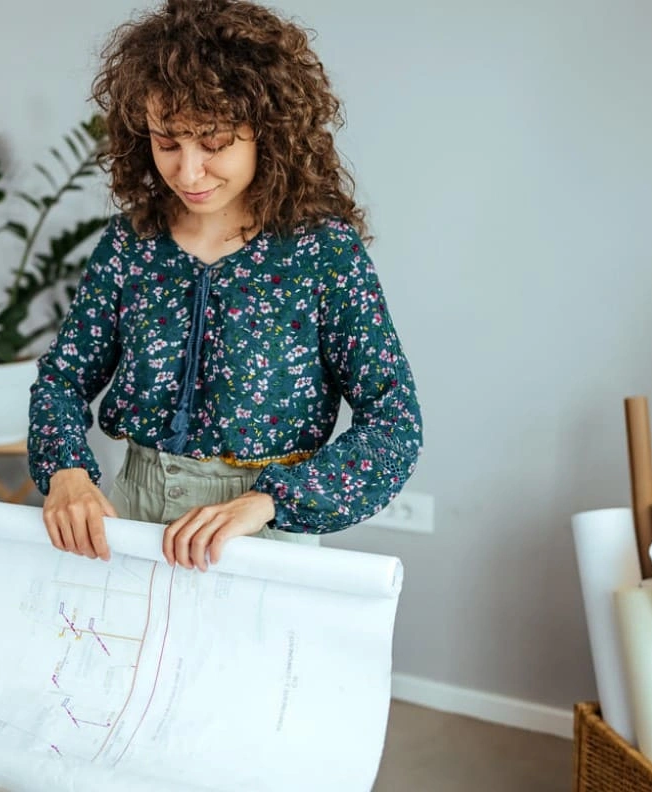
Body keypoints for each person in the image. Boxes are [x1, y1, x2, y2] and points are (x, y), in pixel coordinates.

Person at [28, 0, 422, 573]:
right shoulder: (131, 244)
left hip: (261, 534)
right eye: (167, 143)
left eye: (213, 144)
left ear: (270, 132)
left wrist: (269, 502)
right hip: (130, 524)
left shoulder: (323, 254)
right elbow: (61, 379)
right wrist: (65, 471)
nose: (188, 172)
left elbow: (394, 422)